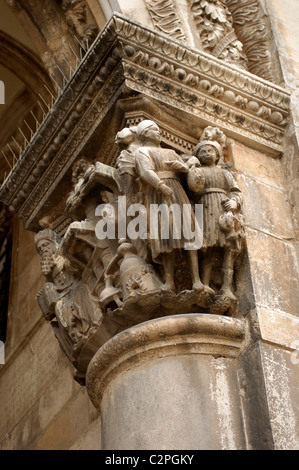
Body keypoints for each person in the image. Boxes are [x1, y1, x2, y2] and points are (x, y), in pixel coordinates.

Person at [134, 120, 206, 292]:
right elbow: (145, 171)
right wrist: (159, 185)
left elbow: (183, 169)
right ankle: (169, 281)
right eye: (154, 130)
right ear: (144, 134)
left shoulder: (170, 151)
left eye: (159, 130)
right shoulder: (143, 151)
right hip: (158, 193)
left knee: (188, 231)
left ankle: (197, 280)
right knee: (165, 235)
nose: (159, 133)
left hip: (177, 190)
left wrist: (187, 166)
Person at [190, 131, 244, 299]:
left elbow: (236, 192)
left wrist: (235, 202)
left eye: (210, 151)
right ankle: (205, 284)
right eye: (203, 151)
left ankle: (227, 287)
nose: (207, 153)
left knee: (228, 248)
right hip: (205, 209)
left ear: (217, 155)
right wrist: (191, 168)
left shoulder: (225, 173)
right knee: (207, 250)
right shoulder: (199, 172)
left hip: (223, 211)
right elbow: (192, 189)